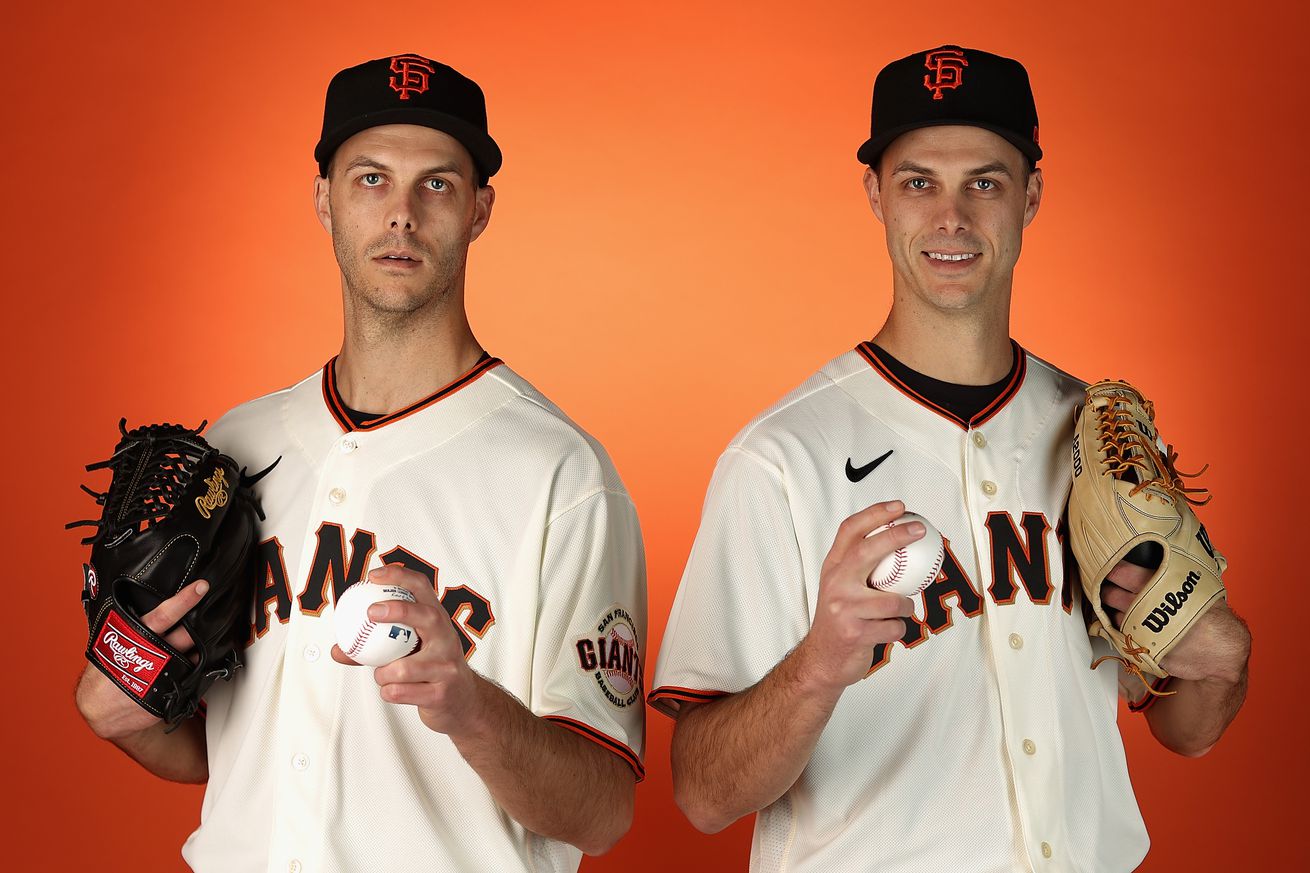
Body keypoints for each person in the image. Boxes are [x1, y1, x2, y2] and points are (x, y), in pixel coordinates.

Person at [650, 45, 1250, 872]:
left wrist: (1220, 658)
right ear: (877, 196)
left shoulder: (1099, 439)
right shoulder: (781, 457)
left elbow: (1187, 729)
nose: (952, 218)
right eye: (919, 182)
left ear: (1031, 195)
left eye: (986, 182)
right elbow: (703, 793)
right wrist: (816, 667)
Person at [74, 53, 647, 873]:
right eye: (371, 178)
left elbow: (602, 809)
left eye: (437, 184)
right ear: (325, 199)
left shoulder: (562, 474)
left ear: (481, 209)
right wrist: (124, 703)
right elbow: (220, 749)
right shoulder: (236, 446)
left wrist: (468, 707)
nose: (402, 214)